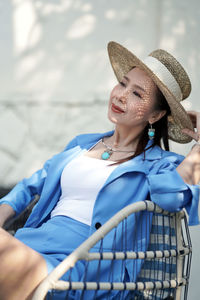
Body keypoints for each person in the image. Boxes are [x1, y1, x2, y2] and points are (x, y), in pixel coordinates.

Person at [0, 41, 199, 300]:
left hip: (80, 269)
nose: (121, 95)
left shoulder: (160, 164)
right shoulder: (82, 143)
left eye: (137, 94)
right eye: (123, 83)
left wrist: (199, 149)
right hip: (31, 246)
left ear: (155, 115)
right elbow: (31, 184)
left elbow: (171, 197)